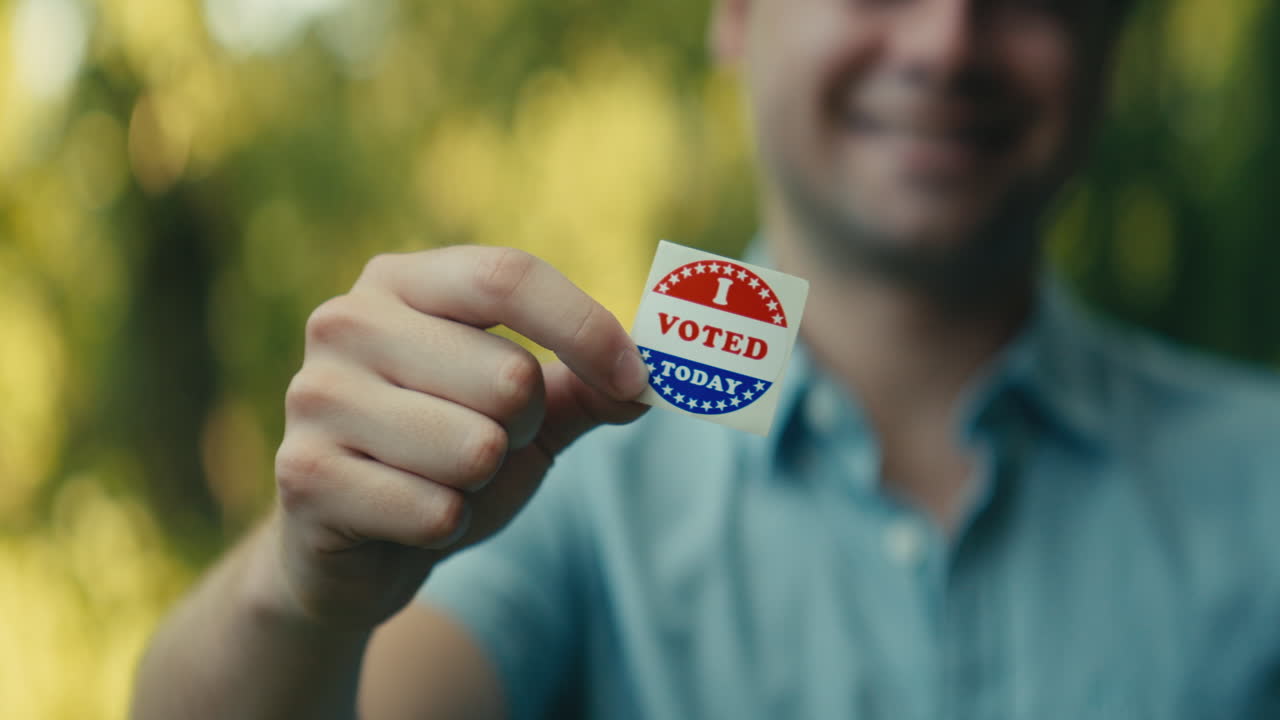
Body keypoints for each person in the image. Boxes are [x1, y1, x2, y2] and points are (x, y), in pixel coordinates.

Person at [133, 0, 1280, 717]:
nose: (945, 36)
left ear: (1110, 32)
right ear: (733, 9)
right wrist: (298, 594)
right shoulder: (540, 483)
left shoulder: (1260, 478)